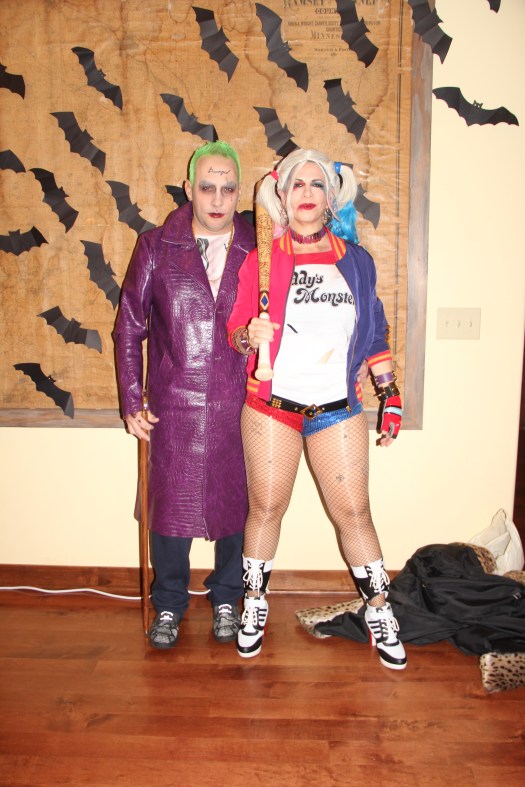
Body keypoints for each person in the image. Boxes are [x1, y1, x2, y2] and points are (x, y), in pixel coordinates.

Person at [226, 148, 407, 670]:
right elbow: (235, 332)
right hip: (271, 407)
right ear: (282, 197)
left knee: (354, 513)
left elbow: (374, 332)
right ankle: (254, 603)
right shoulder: (261, 261)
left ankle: (380, 609)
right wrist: (249, 334)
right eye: (297, 185)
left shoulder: (357, 260)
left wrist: (389, 394)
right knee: (266, 509)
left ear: (331, 198)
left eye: (316, 184)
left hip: (337, 408)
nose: (306, 193)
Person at [113, 141, 255, 649]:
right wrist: (132, 399)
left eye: (228, 188)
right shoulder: (156, 247)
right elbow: (129, 327)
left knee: (237, 507)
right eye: (207, 187)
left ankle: (227, 597)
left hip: (241, 404)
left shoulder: (259, 249)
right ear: (189, 188)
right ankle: (170, 603)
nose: (217, 199)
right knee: (169, 512)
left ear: (239, 191)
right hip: (173, 406)